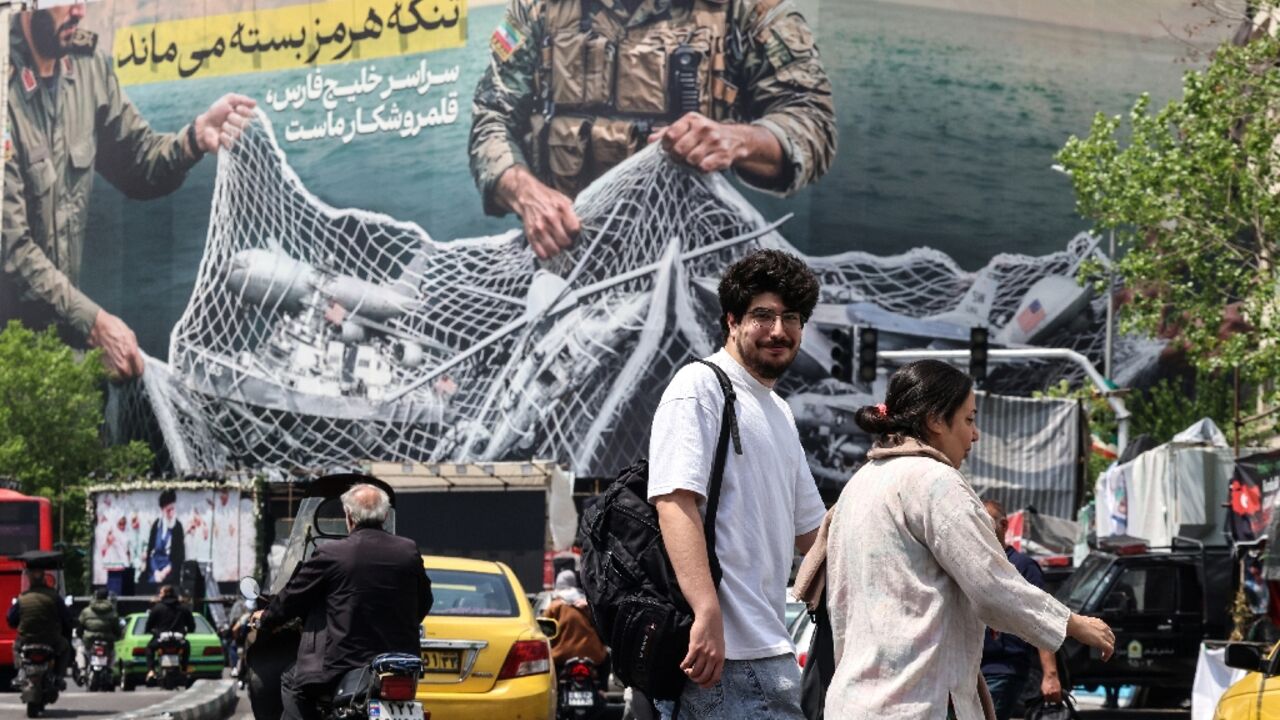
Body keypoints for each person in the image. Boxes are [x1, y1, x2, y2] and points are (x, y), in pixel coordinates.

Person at [821, 360, 1116, 719]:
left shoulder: (859, 484)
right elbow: (993, 586)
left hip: (852, 703)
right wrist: (1075, 624)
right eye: (969, 420)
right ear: (935, 420)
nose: (974, 435)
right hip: (916, 703)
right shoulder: (935, 482)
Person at [469, 0, 837, 260]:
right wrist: (525, 193)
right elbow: (492, 115)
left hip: (692, 262)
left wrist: (738, 140)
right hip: (566, 260)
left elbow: (811, 118)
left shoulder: (742, 9)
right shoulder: (539, 7)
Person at [2, 2, 255, 379]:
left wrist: (194, 139)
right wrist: (94, 324)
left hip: (59, 348)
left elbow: (137, 162)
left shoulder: (88, 69)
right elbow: (11, 249)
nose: (79, 11)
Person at [648, 249, 827, 719]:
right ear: (732, 320)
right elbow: (674, 501)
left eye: (791, 318)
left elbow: (814, 534)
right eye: (763, 315)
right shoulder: (700, 386)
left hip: (770, 650)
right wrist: (706, 612)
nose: (778, 330)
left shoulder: (779, 411)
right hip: (723, 660)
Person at [253, 483, 434, 720]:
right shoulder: (408, 551)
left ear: (348, 516)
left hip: (344, 664)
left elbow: (293, 597)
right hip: (400, 665)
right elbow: (425, 601)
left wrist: (266, 617)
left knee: (292, 682)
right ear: (385, 516)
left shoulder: (332, 553)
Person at [978, 500, 1062, 720]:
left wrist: (1050, 675)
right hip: (973, 669)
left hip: (1003, 669)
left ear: (1004, 525)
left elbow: (1042, 619)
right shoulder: (974, 566)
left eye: (985, 521)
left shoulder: (1023, 567)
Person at [5, 567, 73, 690]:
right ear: (44, 579)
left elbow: (11, 619)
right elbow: (67, 618)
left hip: (26, 639)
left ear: (29, 580)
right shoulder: (54, 597)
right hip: (51, 639)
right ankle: (58, 676)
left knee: (15, 647)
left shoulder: (22, 598)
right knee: (65, 647)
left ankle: (20, 673)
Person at [544, 569, 608, 672]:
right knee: (606, 661)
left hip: (562, 654)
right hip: (593, 653)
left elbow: (543, 627)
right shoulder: (587, 603)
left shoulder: (554, 606)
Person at [144, 584, 195, 682]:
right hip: (179, 641)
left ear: (166, 594)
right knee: (187, 646)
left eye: (161, 593)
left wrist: (151, 632)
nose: (159, 595)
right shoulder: (183, 608)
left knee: (149, 648)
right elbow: (191, 626)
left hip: (161, 641)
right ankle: (184, 668)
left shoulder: (157, 608)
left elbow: (149, 625)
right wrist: (186, 632)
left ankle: (151, 671)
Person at [77, 588, 121, 683]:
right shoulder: (112, 612)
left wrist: (80, 635)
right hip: (107, 640)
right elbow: (117, 629)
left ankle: (82, 671)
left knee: (80, 650)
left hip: (89, 640)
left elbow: (80, 627)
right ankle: (110, 669)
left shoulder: (86, 611)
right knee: (113, 653)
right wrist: (118, 636)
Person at [143, 489, 185, 585]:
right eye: (168, 510)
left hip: (169, 572)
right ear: (162, 510)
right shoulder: (156, 525)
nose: (171, 513)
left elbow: (179, 556)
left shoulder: (178, 527)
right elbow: (151, 552)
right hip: (155, 572)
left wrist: (164, 572)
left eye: (172, 509)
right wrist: (156, 572)